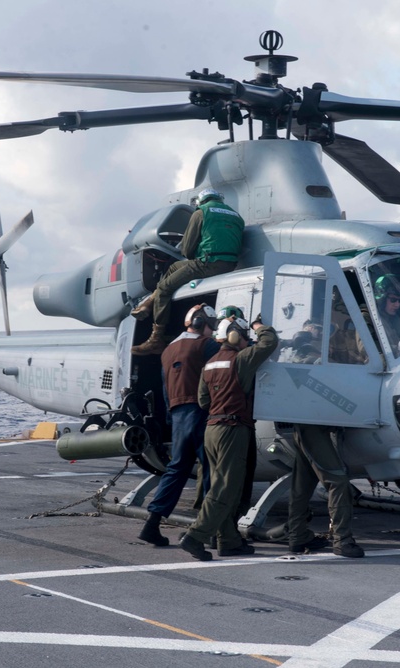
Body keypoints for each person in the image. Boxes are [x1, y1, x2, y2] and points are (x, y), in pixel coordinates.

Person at [180, 316, 278, 560]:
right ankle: (195, 536)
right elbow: (269, 342)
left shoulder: (210, 364)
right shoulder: (241, 359)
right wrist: (259, 327)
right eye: (245, 336)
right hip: (232, 429)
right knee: (225, 489)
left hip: (212, 429)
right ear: (235, 336)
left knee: (224, 487)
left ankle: (229, 541)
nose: (248, 341)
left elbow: (203, 401)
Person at [139, 304, 220, 547]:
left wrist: (171, 418)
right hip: (202, 413)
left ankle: (152, 524)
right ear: (199, 323)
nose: (212, 330)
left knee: (176, 469)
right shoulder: (208, 346)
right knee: (211, 470)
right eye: (210, 324)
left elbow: (165, 389)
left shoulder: (167, 350)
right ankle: (208, 531)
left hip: (178, 415)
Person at [131, 189, 245, 356]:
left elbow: (187, 250)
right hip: (229, 264)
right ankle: (149, 304)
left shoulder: (201, 213)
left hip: (207, 264)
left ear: (200, 202)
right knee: (173, 268)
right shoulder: (236, 216)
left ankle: (156, 339)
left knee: (164, 288)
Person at [287, 425, 365, 558]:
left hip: (304, 426)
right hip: (313, 427)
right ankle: (342, 540)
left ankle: (298, 536)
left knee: (302, 484)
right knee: (338, 482)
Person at [374, 276, 400, 351]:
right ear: (382, 299)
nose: (397, 305)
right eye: (393, 300)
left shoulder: (397, 319)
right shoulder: (371, 321)